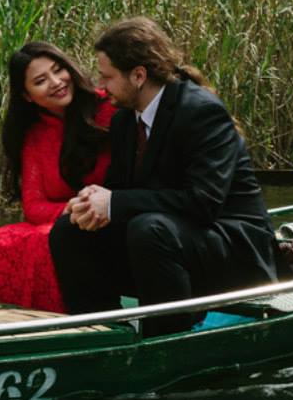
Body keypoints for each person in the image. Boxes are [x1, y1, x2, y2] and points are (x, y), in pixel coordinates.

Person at [48, 17, 279, 335]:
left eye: (107, 77)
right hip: (166, 246)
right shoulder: (124, 122)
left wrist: (114, 202)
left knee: (149, 229)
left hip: (233, 250)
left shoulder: (201, 112)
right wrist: (90, 203)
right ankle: (102, 333)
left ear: (139, 75)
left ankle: (167, 338)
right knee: (68, 230)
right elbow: (120, 191)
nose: (102, 88)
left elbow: (203, 204)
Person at [0, 41, 114, 311]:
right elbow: (33, 205)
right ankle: (11, 323)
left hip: (111, 213)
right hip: (69, 217)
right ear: (27, 95)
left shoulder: (109, 109)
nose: (56, 82)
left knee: (53, 240)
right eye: (40, 80)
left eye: (59, 70)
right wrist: (71, 208)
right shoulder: (35, 135)